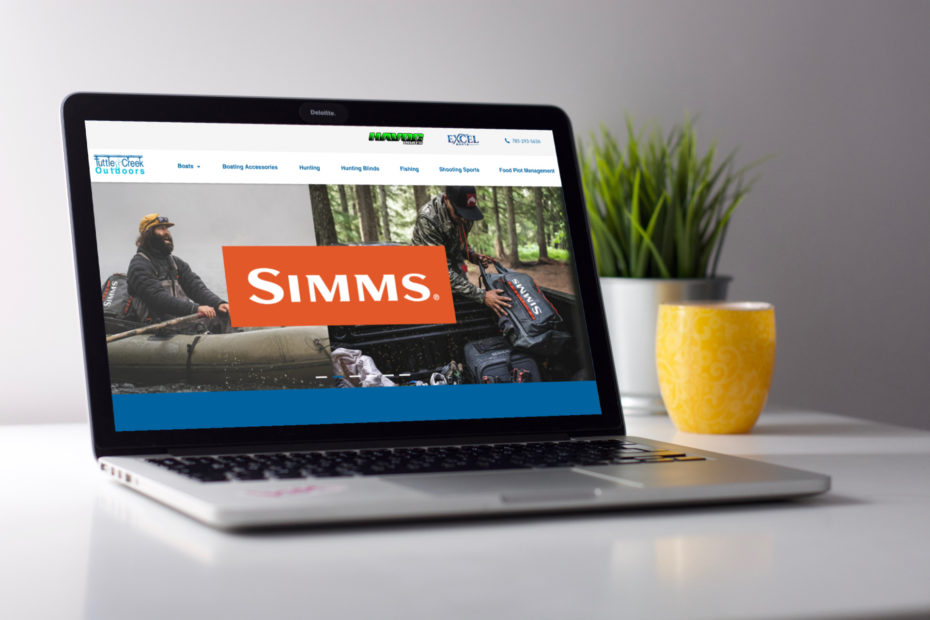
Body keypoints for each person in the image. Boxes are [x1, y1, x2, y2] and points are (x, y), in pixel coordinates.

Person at [411, 186, 512, 317]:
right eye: (460, 213)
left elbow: (460, 241)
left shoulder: (465, 214)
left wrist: (471, 255)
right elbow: (439, 271)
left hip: (451, 260)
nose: (465, 220)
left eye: (467, 215)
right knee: (433, 308)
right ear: (446, 199)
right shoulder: (428, 218)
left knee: (460, 301)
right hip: (424, 266)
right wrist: (482, 295)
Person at [127, 213, 230, 332]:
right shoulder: (139, 266)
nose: (167, 232)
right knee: (199, 329)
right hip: (159, 325)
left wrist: (218, 303)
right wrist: (195, 308)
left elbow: (196, 288)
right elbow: (158, 298)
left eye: (167, 229)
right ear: (148, 234)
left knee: (226, 317)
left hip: (183, 319)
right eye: (161, 228)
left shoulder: (175, 263)